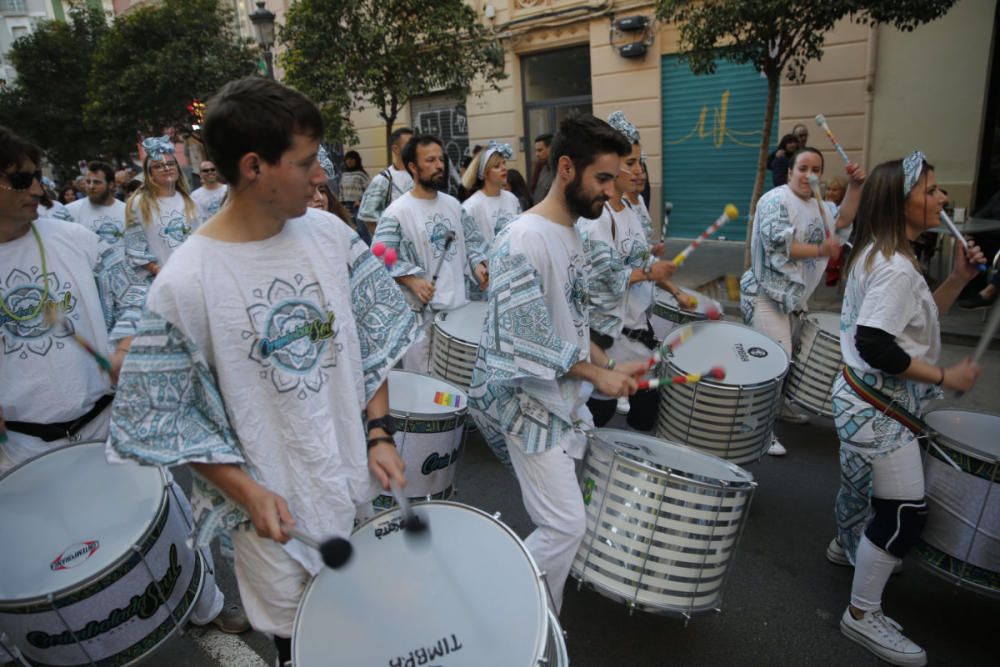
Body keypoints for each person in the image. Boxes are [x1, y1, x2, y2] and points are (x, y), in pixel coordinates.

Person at [108, 77, 418, 667]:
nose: (320, 177)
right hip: (274, 522)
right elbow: (168, 418)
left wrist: (378, 431)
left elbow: (370, 340)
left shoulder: (329, 235)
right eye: (304, 164)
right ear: (254, 166)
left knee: (371, 637)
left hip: (350, 485)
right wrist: (247, 491)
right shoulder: (185, 282)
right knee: (306, 649)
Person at [468, 115, 649, 613]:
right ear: (566, 168)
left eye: (617, 178)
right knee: (565, 525)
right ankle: (495, 616)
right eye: (604, 179)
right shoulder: (523, 239)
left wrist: (608, 362)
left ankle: (543, 627)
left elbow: (571, 320)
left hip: (564, 401)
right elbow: (528, 340)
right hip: (528, 405)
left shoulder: (573, 233)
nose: (613, 192)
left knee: (566, 526)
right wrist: (598, 374)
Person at [828, 152, 983, 667]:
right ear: (902, 202)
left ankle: (852, 551)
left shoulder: (884, 254)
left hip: (866, 405)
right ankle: (862, 614)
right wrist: (945, 377)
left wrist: (958, 279)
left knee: (873, 499)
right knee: (904, 513)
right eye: (931, 191)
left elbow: (911, 323)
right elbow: (877, 344)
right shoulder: (894, 266)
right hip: (878, 410)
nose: (942, 199)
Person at [740, 147, 865, 456]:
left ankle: (779, 409)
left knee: (789, 359)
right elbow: (777, 245)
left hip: (795, 299)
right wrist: (821, 250)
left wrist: (856, 186)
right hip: (766, 294)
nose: (810, 174)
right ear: (789, 172)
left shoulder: (821, 206)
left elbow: (845, 216)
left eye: (816, 169)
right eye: (803, 168)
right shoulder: (776, 200)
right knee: (772, 362)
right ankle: (756, 429)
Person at [578, 111, 677, 430]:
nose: (638, 171)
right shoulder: (597, 216)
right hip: (610, 337)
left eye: (639, 163)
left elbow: (637, 258)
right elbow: (603, 279)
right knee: (599, 414)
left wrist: (664, 277)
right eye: (630, 163)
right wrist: (651, 273)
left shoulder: (632, 208)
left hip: (637, 329)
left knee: (646, 413)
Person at [371, 134, 489, 372]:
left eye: (440, 160)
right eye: (431, 160)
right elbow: (380, 253)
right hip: (422, 322)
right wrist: (412, 280)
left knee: (459, 387)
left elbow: (474, 241)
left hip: (459, 311)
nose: (439, 166)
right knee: (429, 394)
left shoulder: (453, 205)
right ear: (413, 167)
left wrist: (478, 265)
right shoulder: (397, 212)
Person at [123, 136, 203, 278]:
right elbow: (134, 248)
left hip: (194, 277)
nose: (166, 168)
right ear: (150, 174)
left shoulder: (190, 201)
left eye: (171, 164)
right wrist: (157, 270)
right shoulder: (140, 203)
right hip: (162, 280)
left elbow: (201, 241)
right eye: (158, 166)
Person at [460, 140, 521, 246]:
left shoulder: (512, 199)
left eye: (504, 163)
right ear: (484, 173)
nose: (504, 168)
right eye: (497, 166)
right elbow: (468, 246)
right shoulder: (471, 206)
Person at [357, 127, 414, 238]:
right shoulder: (383, 179)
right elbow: (368, 216)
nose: (415, 148)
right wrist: (386, 243)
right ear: (395, 149)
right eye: (410, 144)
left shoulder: (421, 175)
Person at [65, 161, 127, 250]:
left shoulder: (127, 211)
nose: (91, 186)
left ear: (111, 185)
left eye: (97, 182)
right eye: (88, 181)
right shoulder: (70, 211)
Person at [338, 149, 369, 218]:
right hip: (347, 205)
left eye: (352, 159)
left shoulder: (361, 174)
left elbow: (369, 190)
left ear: (356, 160)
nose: (349, 161)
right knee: (350, 226)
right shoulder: (344, 174)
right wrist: (341, 204)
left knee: (360, 228)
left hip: (358, 205)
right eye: (347, 159)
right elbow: (341, 190)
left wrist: (360, 201)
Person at [530, 132, 554, 204]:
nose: (537, 154)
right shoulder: (540, 167)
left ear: (550, 148)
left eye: (540, 150)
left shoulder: (561, 170)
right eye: (536, 150)